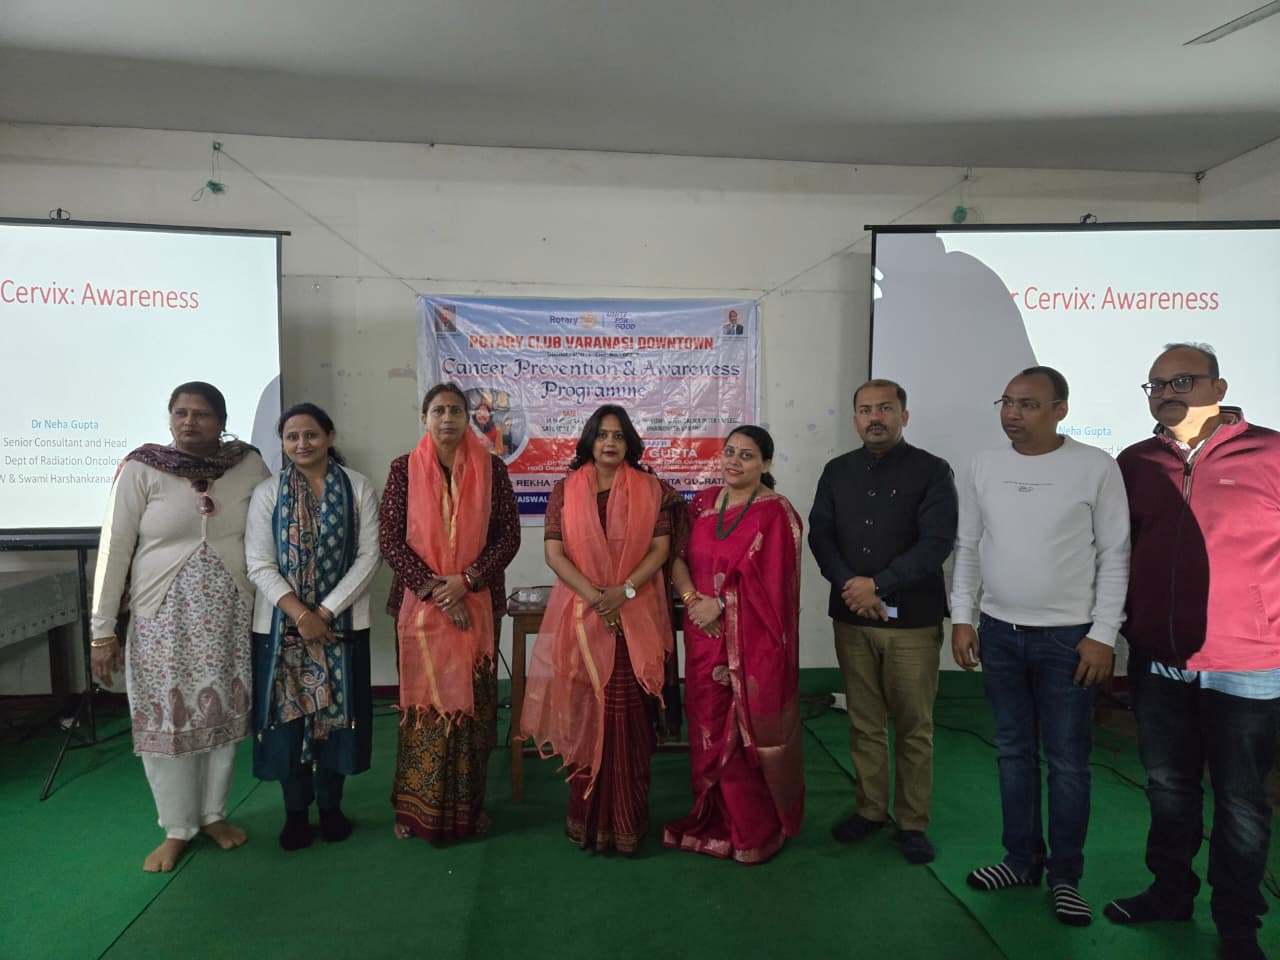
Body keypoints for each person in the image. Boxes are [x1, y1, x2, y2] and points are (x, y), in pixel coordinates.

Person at [1104, 344, 1279, 960]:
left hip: (1249, 664)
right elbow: (1117, 552)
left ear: (1219, 387)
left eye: (1181, 380)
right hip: (1160, 659)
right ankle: (1170, 892)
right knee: (1168, 788)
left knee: (1240, 801)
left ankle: (1238, 924)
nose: (1165, 393)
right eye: (1155, 385)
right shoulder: (1135, 462)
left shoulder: (1271, 454)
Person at [950, 366, 1129, 926]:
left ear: (1060, 410)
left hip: (1069, 640)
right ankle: (1020, 860)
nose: (1012, 414)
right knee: (1012, 752)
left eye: (1028, 404)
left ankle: (1065, 877)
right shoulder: (983, 465)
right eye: (1006, 402)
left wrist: (1103, 635)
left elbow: (1115, 554)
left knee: (1069, 762)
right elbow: (969, 546)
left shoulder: (1095, 467)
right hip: (999, 631)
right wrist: (963, 617)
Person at [90, 381, 270, 872]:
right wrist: (102, 630)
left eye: (202, 414)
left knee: (223, 716)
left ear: (222, 421)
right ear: (170, 418)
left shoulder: (247, 465)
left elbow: (271, 528)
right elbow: (114, 549)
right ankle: (176, 827)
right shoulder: (141, 468)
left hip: (229, 618)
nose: (190, 421)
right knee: (167, 722)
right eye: (181, 412)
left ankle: (213, 815)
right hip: (160, 621)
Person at [809, 379, 957, 864]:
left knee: (914, 726)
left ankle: (912, 823)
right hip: (852, 618)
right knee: (865, 721)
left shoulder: (933, 471)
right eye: (865, 409)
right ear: (855, 418)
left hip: (912, 622)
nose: (875, 417)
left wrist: (880, 585)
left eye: (885, 409)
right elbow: (820, 535)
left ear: (904, 416)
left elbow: (936, 542)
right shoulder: (837, 471)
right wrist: (852, 586)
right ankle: (870, 810)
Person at [520, 404, 672, 854]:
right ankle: (586, 820)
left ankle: (625, 821)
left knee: (628, 718)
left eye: (619, 436)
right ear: (589, 440)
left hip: (634, 612)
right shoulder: (565, 490)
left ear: (630, 443)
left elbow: (660, 549)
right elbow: (554, 553)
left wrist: (623, 592)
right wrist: (596, 597)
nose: (610, 443)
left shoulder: (651, 488)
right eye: (603, 435)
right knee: (586, 712)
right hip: (581, 616)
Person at [379, 382, 519, 841]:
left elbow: (508, 537)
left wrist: (467, 581)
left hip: (477, 605)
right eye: (438, 410)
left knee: (472, 714)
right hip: (418, 608)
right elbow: (390, 540)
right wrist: (438, 591)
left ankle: (467, 811)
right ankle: (413, 812)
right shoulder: (403, 469)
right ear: (424, 418)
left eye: (456, 410)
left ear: (468, 419)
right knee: (424, 709)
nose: (447, 419)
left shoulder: (493, 470)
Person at [663, 426, 805, 863]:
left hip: (751, 645)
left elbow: (774, 586)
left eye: (746, 455)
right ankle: (711, 817)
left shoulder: (777, 513)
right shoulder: (704, 503)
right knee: (705, 722)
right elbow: (677, 559)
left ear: (766, 463)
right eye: (729, 452)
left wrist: (721, 606)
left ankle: (751, 829)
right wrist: (692, 601)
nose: (734, 462)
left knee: (746, 733)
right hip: (702, 636)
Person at [245, 402, 381, 851]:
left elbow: (370, 557)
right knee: (288, 723)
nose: (302, 444)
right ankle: (295, 814)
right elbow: (259, 563)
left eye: (311, 434)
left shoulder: (358, 487)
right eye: (292, 437)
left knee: (339, 722)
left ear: (329, 437)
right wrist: (300, 615)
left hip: (341, 627)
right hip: (281, 629)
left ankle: (332, 807)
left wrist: (323, 613)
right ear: (283, 444)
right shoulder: (268, 493)